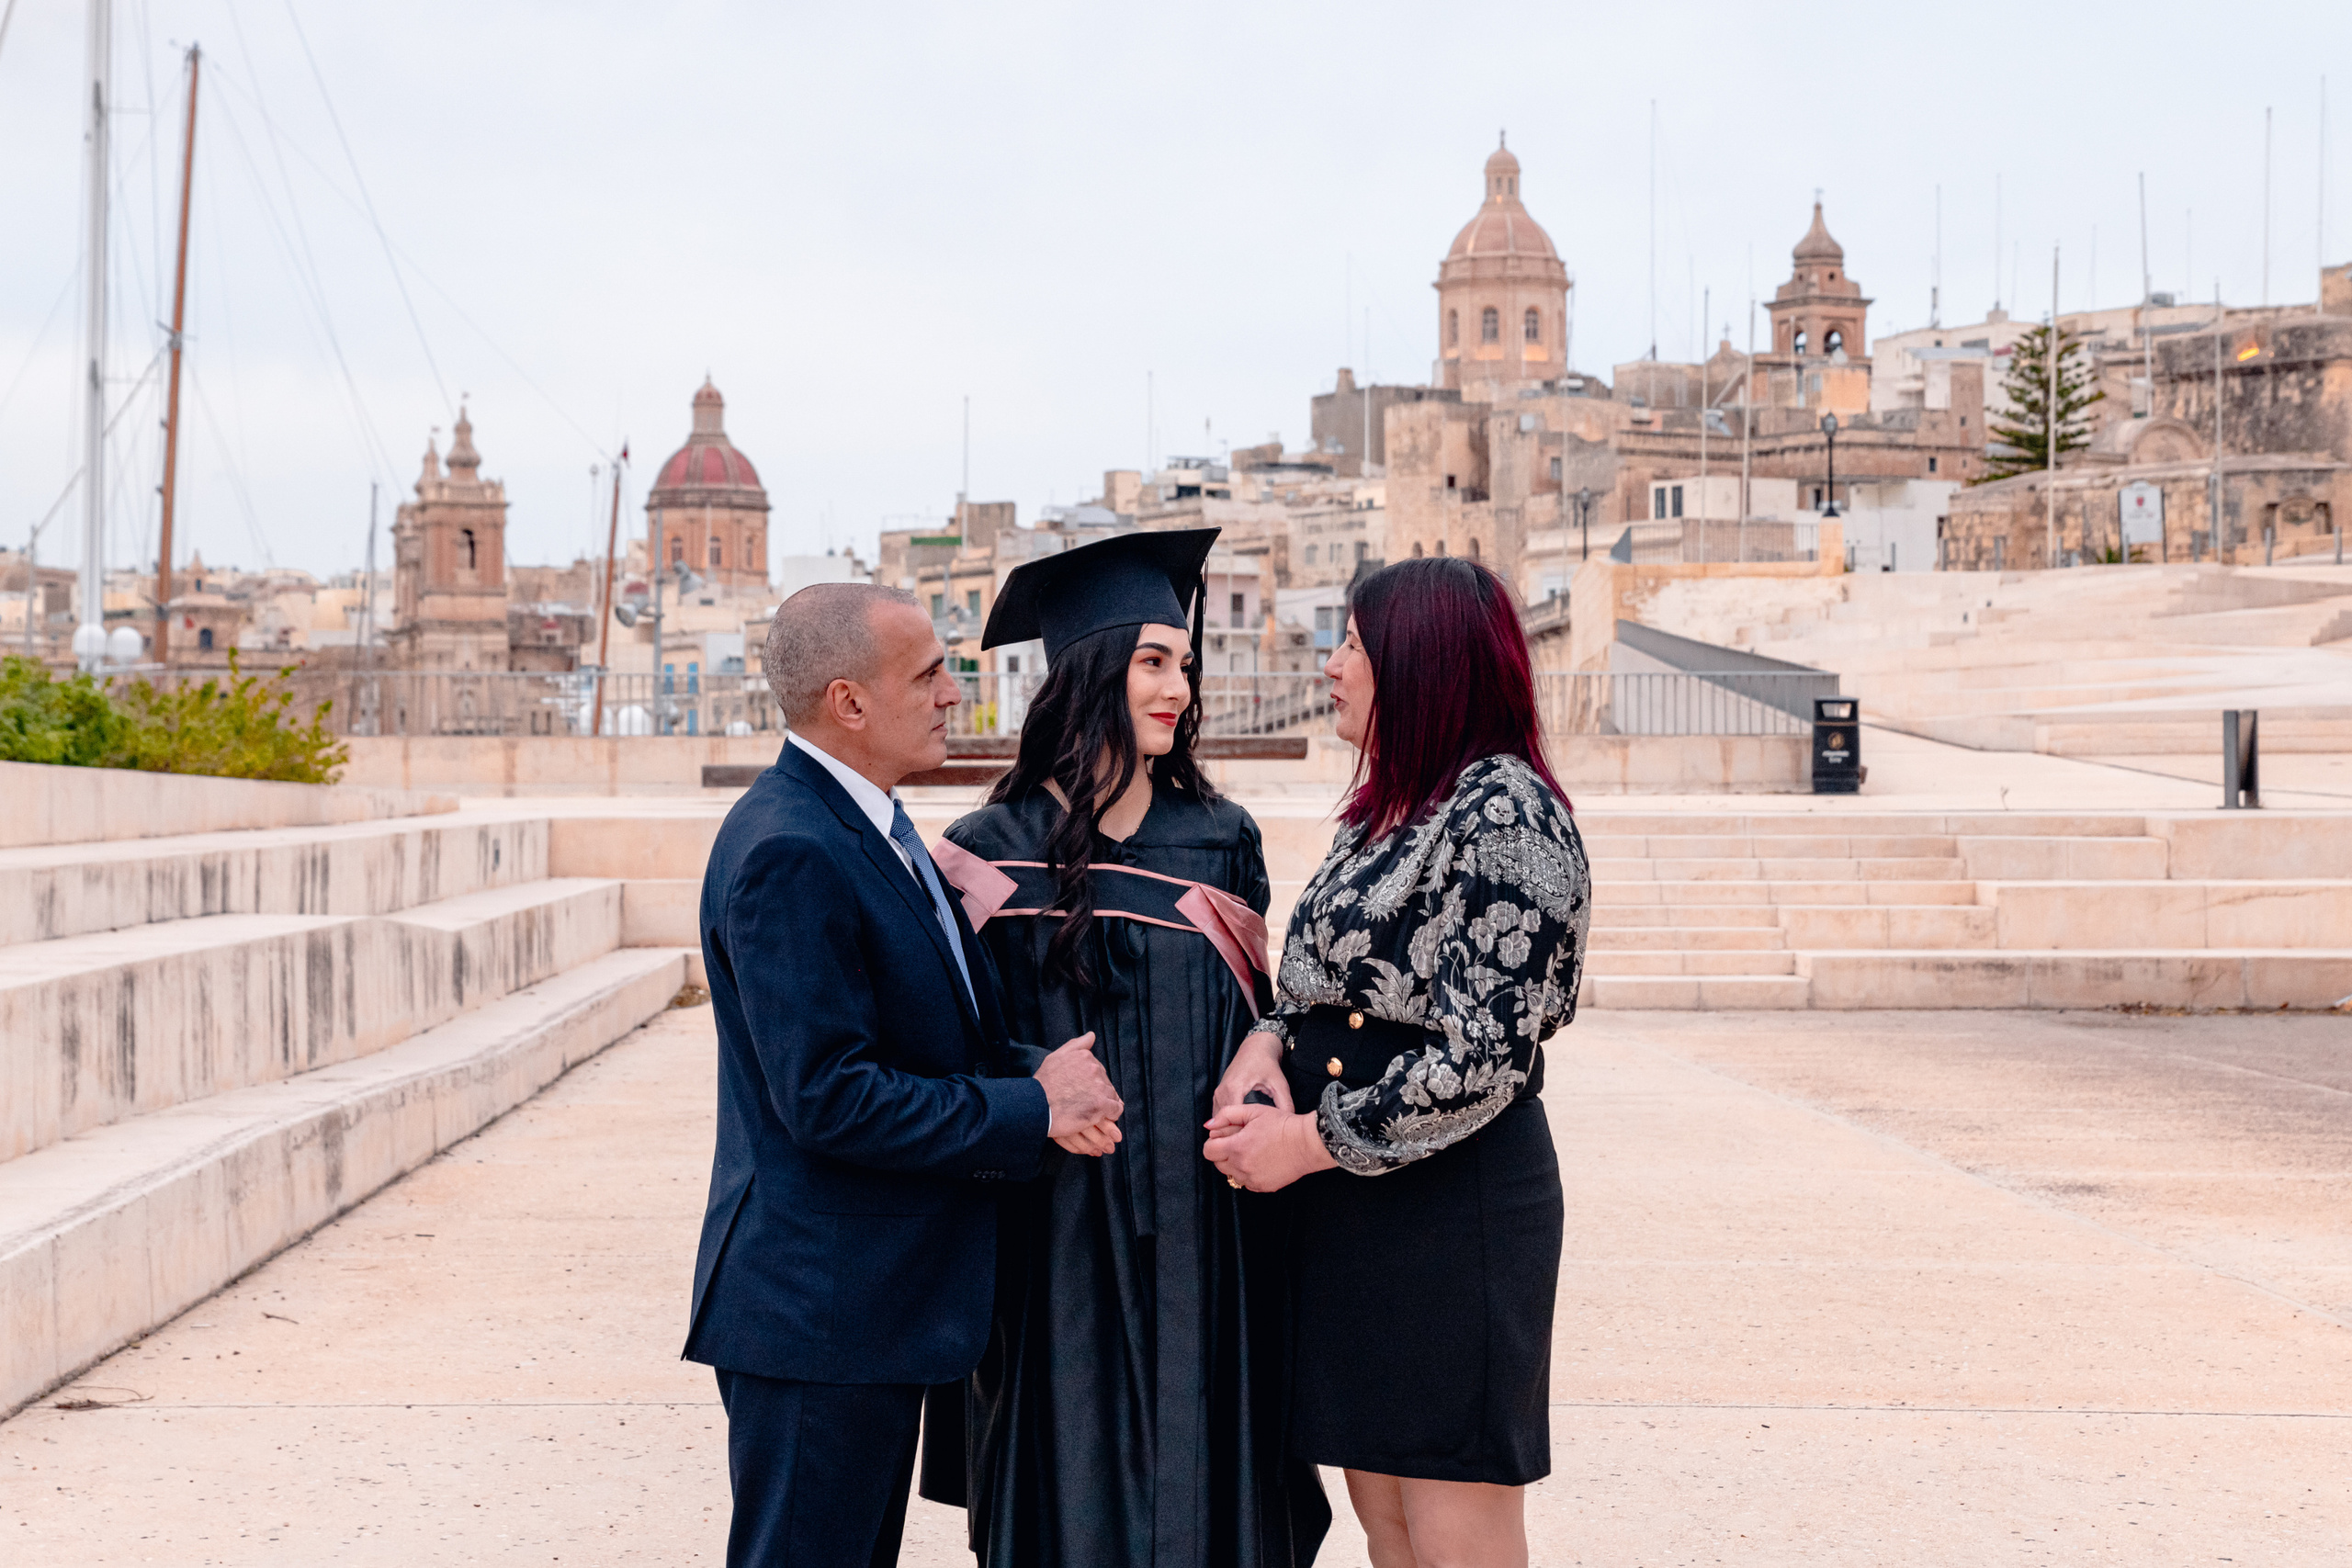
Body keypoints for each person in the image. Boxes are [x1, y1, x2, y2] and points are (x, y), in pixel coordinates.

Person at [684, 581, 1125, 1568]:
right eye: (928, 674)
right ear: (849, 702)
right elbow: (829, 1097)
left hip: (864, 1314)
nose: (951, 694)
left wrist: (1033, 1071)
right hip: (818, 1315)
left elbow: (919, 1043)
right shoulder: (790, 850)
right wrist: (1029, 1109)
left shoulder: (867, 829)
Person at [922, 529, 1330, 1568]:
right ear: (1090, 669)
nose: (1177, 689)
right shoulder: (982, 849)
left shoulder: (1219, 839)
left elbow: (1263, 1022)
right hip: (1053, 1218)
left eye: (1185, 665)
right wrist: (1031, 1081)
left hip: (1207, 1221)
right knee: (1066, 1458)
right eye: (1153, 661)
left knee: (1213, 1462)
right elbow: (947, 1043)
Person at [1204, 556, 1590, 1568]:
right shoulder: (1389, 805)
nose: (1329, 666)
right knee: (1387, 1522)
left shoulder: (1503, 812)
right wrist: (1262, 1043)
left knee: (1454, 1529)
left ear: (1418, 666)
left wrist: (1301, 1141)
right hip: (1356, 1210)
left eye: (1352, 646)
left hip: (1448, 1208)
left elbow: (1479, 1058)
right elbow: (1317, 986)